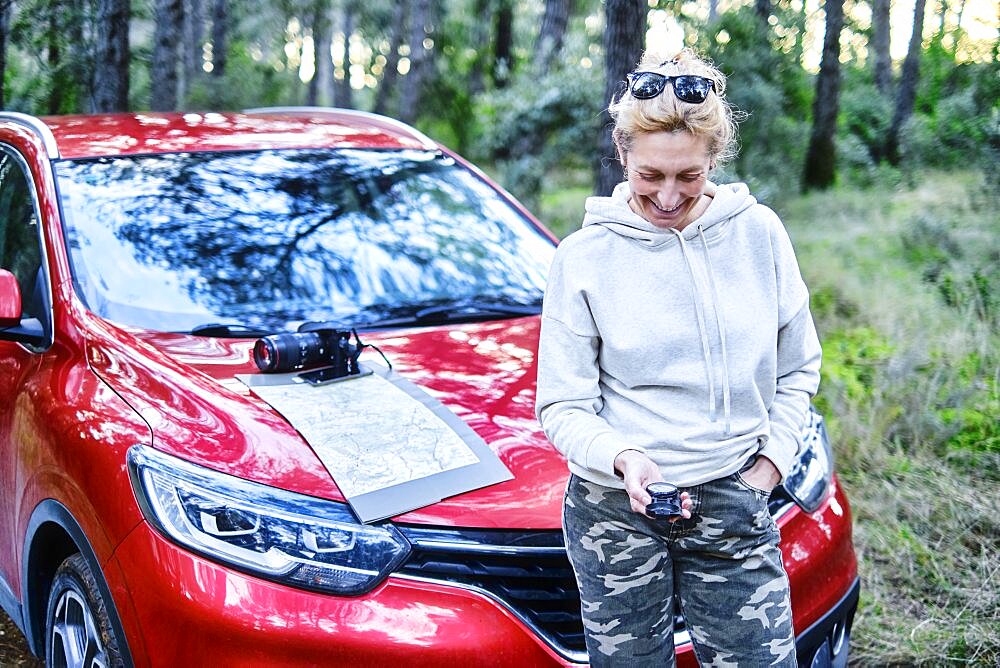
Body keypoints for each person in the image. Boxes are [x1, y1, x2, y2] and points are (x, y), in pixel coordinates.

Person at [535, 49, 821, 667]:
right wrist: (623, 456)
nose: (667, 197)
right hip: (616, 510)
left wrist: (769, 466)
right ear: (622, 155)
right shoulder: (584, 258)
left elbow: (798, 369)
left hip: (733, 496)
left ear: (714, 159)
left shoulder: (760, 234)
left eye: (688, 177)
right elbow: (562, 404)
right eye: (650, 176)